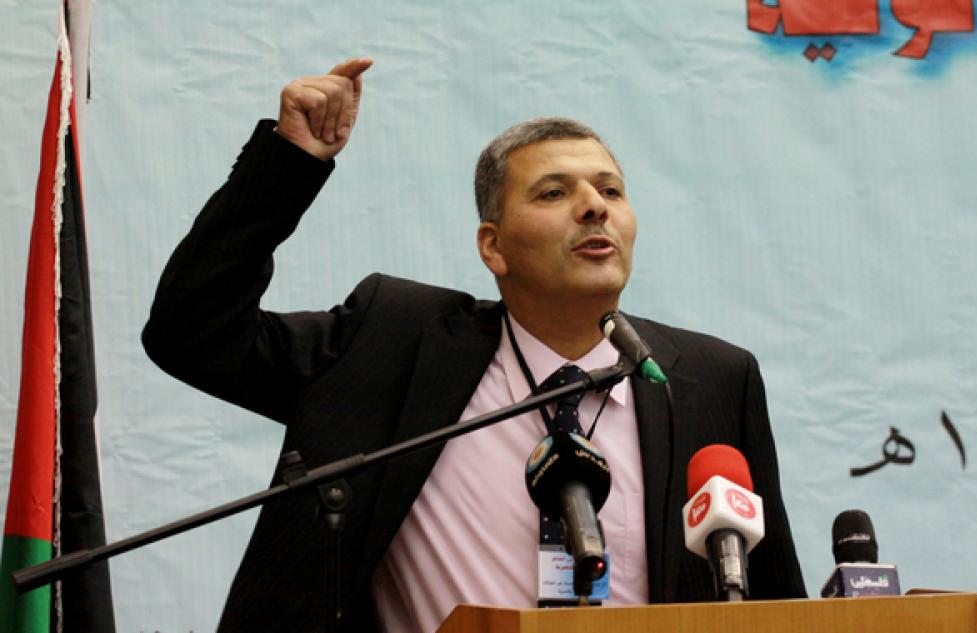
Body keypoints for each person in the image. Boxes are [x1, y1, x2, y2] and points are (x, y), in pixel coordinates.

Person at [142, 57, 806, 633]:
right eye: (554, 192)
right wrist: (288, 165)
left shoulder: (712, 379)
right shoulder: (394, 346)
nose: (594, 207)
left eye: (610, 190)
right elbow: (193, 332)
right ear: (493, 246)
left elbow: (773, 599)